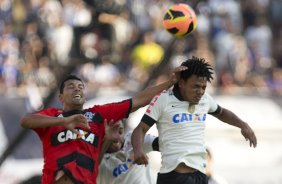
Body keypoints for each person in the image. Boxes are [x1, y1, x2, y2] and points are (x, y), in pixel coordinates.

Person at [20, 66, 186, 184]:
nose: (77, 89)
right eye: (71, 87)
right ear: (61, 97)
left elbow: (139, 100)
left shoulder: (98, 115)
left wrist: (170, 82)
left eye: (80, 87)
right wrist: (63, 121)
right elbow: (26, 121)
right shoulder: (52, 116)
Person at [131, 56, 257, 184]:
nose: (200, 91)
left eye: (203, 87)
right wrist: (138, 150)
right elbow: (140, 129)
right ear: (181, 83)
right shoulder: (163, 100)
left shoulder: (205, 100)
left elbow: (222, 113)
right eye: (196, 86)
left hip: (200, 176)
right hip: (173, 177)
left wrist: (243, 125)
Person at [97, 120, 159, 184]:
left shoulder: (133, 139)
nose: (116, 137)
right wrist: (107, 141)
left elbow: (160, 143)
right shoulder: (101, 160)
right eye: (112, 132)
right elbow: (92, 167)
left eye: (120, 132)